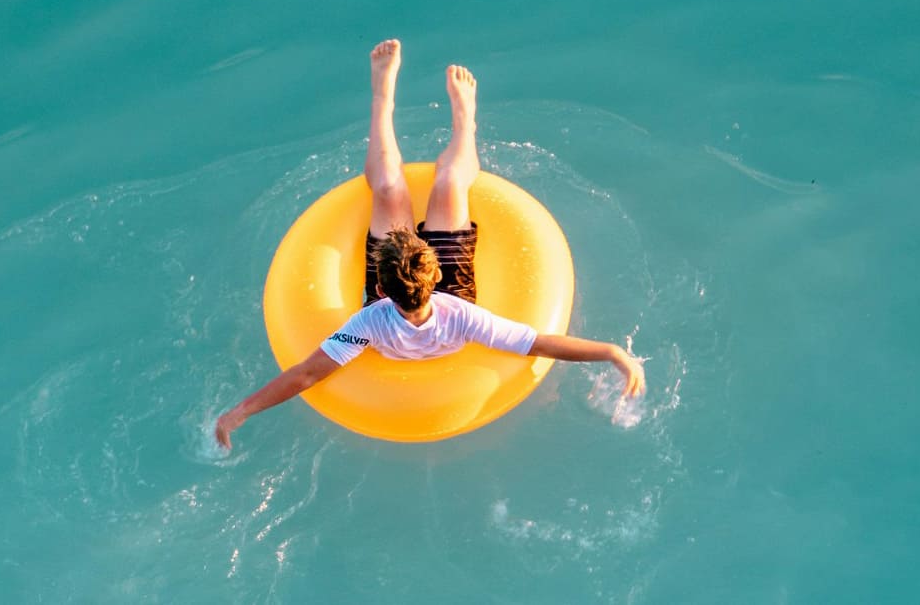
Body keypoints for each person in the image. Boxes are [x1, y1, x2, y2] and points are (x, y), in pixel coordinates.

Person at [215, 39, 645, 449]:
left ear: (378, 290)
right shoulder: (464, 315)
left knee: (387, 188)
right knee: (449, 183)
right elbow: (539, 343)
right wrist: (612, 352)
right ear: (435, 268)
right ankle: (464, 121)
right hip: (454, 290)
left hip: (415, 293)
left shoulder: (368, 324)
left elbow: (305, 375)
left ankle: (382, 98)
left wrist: (240, 412)